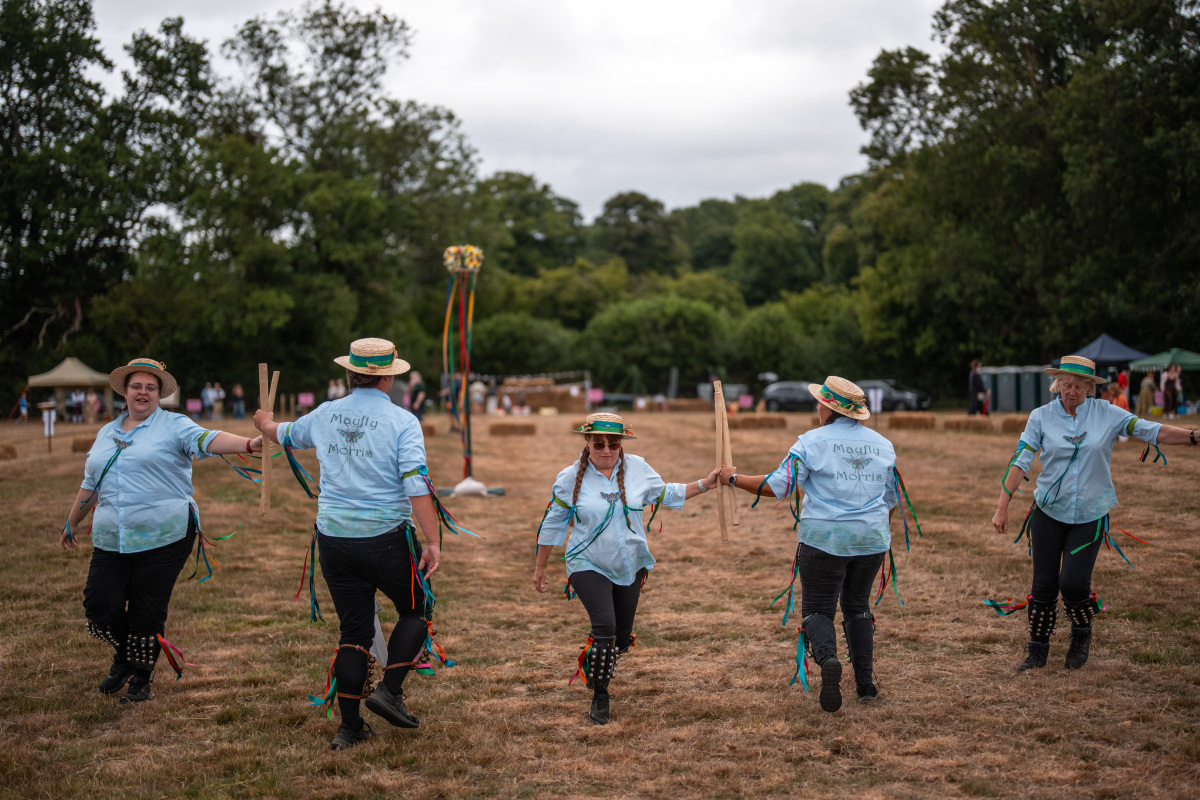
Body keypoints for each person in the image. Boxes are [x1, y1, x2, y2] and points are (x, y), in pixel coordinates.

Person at [254, 338, 449, 751]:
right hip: (385, 538)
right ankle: (390, 691)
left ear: (349, 374)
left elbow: (284, 434)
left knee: (354, 632)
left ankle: (349, 728)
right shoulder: (403, 421)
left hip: (335, 539)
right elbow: (417, 486)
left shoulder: (326, 413)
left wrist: (264, 423)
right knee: (417, 609)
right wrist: (432, 540)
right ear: (390, 376)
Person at [59, 358, 262, 703]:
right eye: (136, 386)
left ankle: (141, 679)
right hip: (113, 536)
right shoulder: (105, 432)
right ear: (125, 390)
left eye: (150, 388)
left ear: (159, 394)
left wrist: (247, 444)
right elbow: (91, 483)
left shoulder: (174, 426)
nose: (143, 392)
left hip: (165, 534)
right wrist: (73, 520)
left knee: (147, 609)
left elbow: (208, 439)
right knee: (99, 606)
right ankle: (126, 656)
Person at [992, 355, 1199, 672]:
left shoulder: (1108, 414)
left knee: (1074, 583)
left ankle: (1081, 632)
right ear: (1057, 383)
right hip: (1048, 511)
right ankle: (1037, 651)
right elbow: (1021, 459)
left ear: (1091, 387)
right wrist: (1002, 504)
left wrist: (1193, 436)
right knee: (1044, 586)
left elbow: (1151, 431)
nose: (1070, 392)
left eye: (1077, 386)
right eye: (1065, 385)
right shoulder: (1040, 417)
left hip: (1090, 513)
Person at [719, 377, 900, 712]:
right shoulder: (883, 445)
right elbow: (891, 500)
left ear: (828, 408)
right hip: (872, 540)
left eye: (819, 403)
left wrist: (732, 478)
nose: (816, 408)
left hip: (824, 539)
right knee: (858, 607)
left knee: (817, 608)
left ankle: (829, 660)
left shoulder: (811, 442)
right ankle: (866, 685)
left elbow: (779, 486)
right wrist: (874, 536)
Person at [534, 412, 722, 725]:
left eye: (613, 444)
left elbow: (666, 493)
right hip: (586, 562)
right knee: (605, 627)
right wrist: (541, 567)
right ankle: (601, 695)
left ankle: (600, 656)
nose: (606, 450)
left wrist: (706, 484)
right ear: (587, 443)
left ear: (621, 444)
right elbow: (553, 522)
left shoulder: (638, 468)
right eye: (599, 444)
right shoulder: (570, 478)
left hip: (630, 564)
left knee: (620, 638)